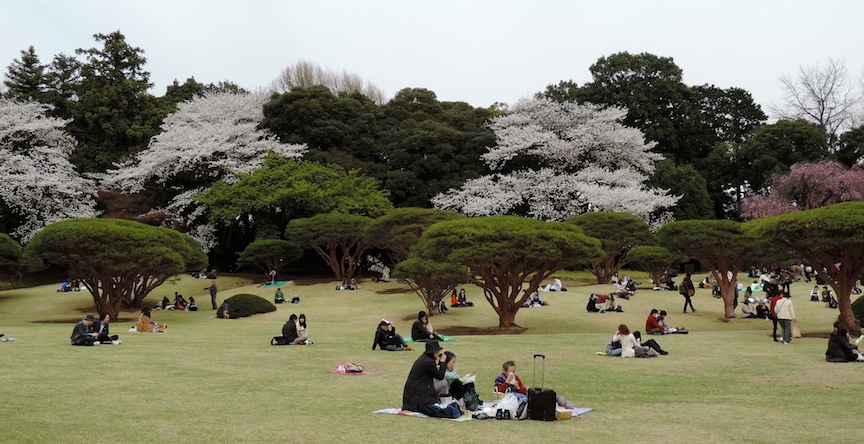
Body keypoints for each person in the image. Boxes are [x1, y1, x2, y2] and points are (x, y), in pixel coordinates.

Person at [402, 341, 458, 417]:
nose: (438, 353)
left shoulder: (425, 359)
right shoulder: (428, 362)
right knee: (443, 383)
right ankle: (439, 402)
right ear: (433, 352)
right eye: (438, 351)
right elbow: (440, 376)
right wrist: (442, 362)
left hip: (414, 392)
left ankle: (437, 402)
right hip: (418, 393)